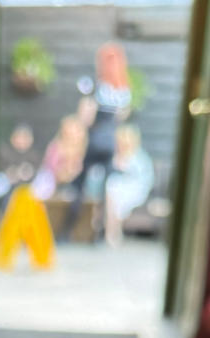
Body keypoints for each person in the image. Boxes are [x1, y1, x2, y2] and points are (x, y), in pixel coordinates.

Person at [61, 43, 132, 240]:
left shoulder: (97, 86)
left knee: (79, 186)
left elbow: (86, 118)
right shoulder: (123, 89)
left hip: (94, 140)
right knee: (103, 189)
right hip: (110, 143)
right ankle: (99, 235)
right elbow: (121, 117)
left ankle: (67, 231)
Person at [104, 125, 155, 247]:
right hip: (116, 188)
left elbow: (145, 179)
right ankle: (112, 230)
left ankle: (111, 231)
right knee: (112, 189)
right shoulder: (114, 156)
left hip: (135, 189)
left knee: (113, 192)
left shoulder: (140, 158)